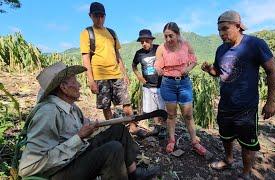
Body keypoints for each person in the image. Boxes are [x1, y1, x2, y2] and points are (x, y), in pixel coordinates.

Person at [18, 62, 159, 180]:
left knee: (118, 130)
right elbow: (28, 168)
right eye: (75, 81)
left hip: (76, 154)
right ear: (64, 87)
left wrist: (94, 128)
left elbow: (86, 128)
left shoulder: (71, 107)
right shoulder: (48, 114)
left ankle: (133, 175)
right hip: (59, 172)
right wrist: (78, 137)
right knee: (113, 149)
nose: (80, 85)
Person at [201, 10, 275, 179]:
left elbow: (272, 71)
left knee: (248, 143)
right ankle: (228, 160)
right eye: (219, 30)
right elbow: (218, 72)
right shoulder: (221, 50)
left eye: (225, 29)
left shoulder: (255, 44)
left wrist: (271, 101)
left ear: (238, 26)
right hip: (226, 104)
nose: (221, 34)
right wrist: (210, 70)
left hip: (247, 107)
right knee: (226, 136)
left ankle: (245, 173)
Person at [80, 2, 144, 136]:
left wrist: (124, 74)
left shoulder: (111, 33)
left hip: (116, 74)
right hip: (100, 76)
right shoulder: (87, 33)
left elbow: (117, 55)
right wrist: (91, 80)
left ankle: (133, 126)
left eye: (102, 16)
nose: (99, 19)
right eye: (96, 16)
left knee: (126, 103)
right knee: (106, 106)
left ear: (105, 16)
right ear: (90, 16)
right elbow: (86, 58)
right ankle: (114, 131)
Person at [154, 22, 210, 156]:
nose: (168, 39)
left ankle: (195, 142)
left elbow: (194, 60)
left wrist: (188, 69)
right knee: (171, 115)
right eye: (166, 36)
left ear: (177, 34)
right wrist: (157, 69)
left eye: (171, 36)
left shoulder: (186, 45)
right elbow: (156, 64)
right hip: (168, 84)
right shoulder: (161, 48)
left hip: (184, 83)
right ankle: (171, 140)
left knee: (188, 115)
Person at [132, 29, 166, 138]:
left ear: (151, 40)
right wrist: (140, 77)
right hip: (147, 86)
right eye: (142, 42)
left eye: (146, 41)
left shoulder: (158, 49)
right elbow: (134, 66)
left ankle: (163, 128)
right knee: (153, 109)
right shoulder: (139, 54)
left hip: (160, 84)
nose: (144, 44)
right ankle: (157, 128)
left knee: (162, 108)